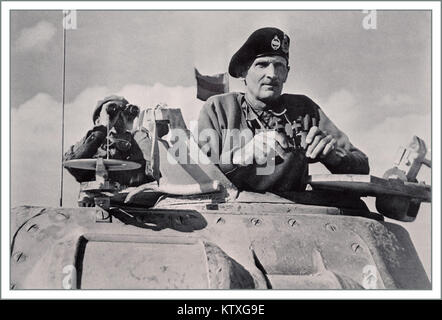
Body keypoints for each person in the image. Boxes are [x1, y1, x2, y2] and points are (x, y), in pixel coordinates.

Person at [197, 27, 369, 192]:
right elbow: (196, 172)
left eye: (279, 66)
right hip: (235, 213)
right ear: (243, 72)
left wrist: (334, 157)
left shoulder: (305, 109)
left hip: (292, 212)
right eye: (262, 65)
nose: (272, 74)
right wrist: (238, 157)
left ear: (287, 73)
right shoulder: (219, 109)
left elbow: (362, 165)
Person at [64, 95, 154, 206]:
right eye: (113, 113)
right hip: (97, 211)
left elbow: (155, 172)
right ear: (98, 120)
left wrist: (138, 132)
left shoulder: (137, 143)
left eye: (124, 114)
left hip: (134, 211)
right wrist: (101, 130)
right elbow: (72, 163)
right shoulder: (92, 145)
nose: (118, 119)